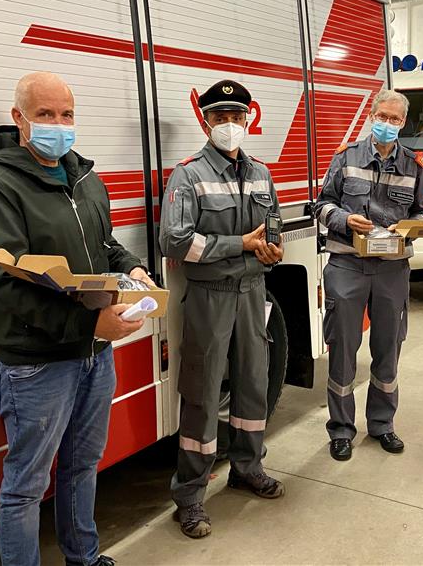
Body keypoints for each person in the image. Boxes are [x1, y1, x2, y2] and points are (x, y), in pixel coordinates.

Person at [0, 72, 154, 566]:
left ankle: (84, 558)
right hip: (38, 363)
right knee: (25, 487)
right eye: (44, 115)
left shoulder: (85, 178)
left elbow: (107, 245)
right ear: (18, 118)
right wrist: (89, 327)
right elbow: (7, 285)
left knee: (82, 467)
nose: (57, 125)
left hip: (94, 356)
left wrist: (131, 266)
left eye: (65, 115)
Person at [159, 79, 285, 539]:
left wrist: (271, 249)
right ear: (205, 121)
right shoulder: (188, 174)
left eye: (237, 117)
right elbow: (173, 240)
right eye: (219, 117)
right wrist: (241, 244)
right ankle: (190, 497)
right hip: (210, 298)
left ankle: (248, 468)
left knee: (254, 384)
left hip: (253, 292)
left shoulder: (261, 173)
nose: (229, 125)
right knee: (202, 393)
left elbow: (272, 229)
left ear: (247, 119)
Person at [313, 90, 423, 462]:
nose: (388, 124)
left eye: (395, 119)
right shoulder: (346, 159)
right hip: (347, 265)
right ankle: (341, 430)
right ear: (371, 115)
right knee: (343, 350)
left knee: (388, 349)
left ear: (403, 123)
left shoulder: (414, 166)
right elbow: (320, 204)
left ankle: (382, 424)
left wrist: (409, 226)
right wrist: (345, 219)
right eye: (383, 116)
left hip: (392, 270)